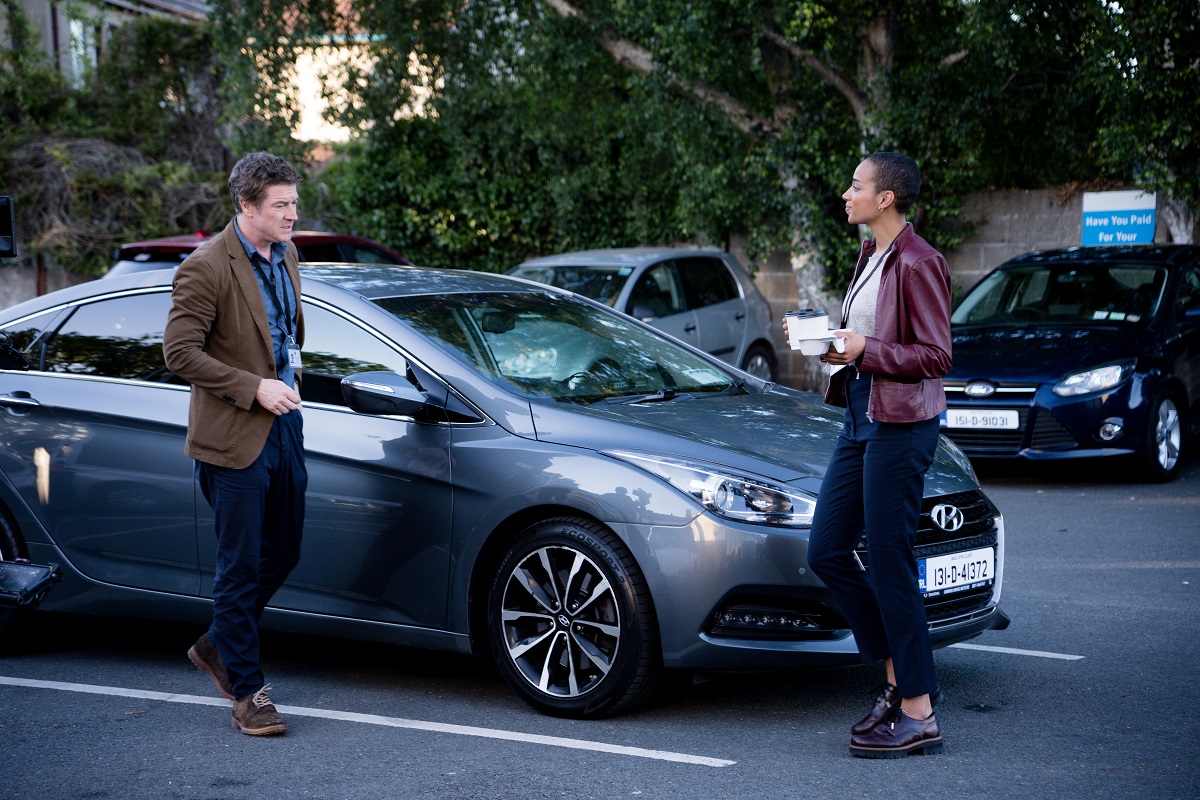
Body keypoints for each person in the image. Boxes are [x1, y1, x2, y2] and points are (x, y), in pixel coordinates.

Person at [786, 152, 952, 758]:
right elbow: (867, 344)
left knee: (889, 560)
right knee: (827, 549)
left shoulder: (921, 260)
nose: (846, 193)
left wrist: (866, 348)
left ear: (886, 198)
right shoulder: (872, 255)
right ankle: (894, 671)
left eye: (856, 185)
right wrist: (831, 346)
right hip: (861, 416)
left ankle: (918, 710)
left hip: (902, 425)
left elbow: (935, 356)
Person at [163, 152, 307, 736]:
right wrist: (254, 389)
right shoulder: (206, 266)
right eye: (282, 205)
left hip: (286, 425)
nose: (293, 214)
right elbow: (179, 354)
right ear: (246, 206)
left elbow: (284, 339)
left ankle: (219, 642)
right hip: (233, 434)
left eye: (295, 202)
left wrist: (288, 391)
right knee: (239, 564)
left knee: (285, 550)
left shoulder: (288, 253)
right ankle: (248, 692)